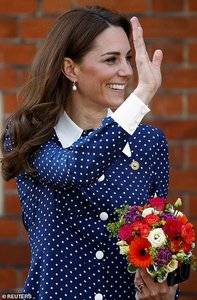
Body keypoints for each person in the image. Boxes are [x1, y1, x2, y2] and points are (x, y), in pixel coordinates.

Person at [0, 6, 179, 300]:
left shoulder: (149, 142)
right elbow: (73, 169)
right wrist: (142, 95)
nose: (127, 71)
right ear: (71, 69)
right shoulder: (31, 135)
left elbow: (157, 238)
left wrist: (166, 290)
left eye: (128, 58)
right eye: (111, 59)